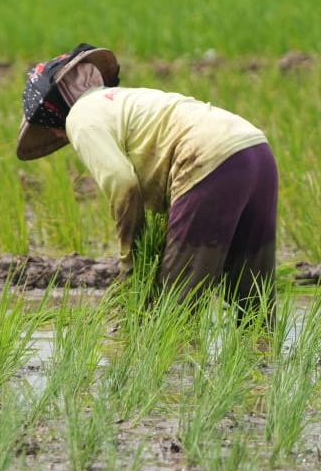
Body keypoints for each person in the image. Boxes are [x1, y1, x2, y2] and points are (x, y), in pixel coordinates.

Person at [16, 43, 278, 324]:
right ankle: (265, 362)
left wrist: (132, 260)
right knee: (255, 305)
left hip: (206, 161)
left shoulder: (80, 118)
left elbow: (123, 184)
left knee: (174, 315)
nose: (58, 135)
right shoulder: (126, 99)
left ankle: (175, 367)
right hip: (256, 151)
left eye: (51, 128)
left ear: (55, 114)